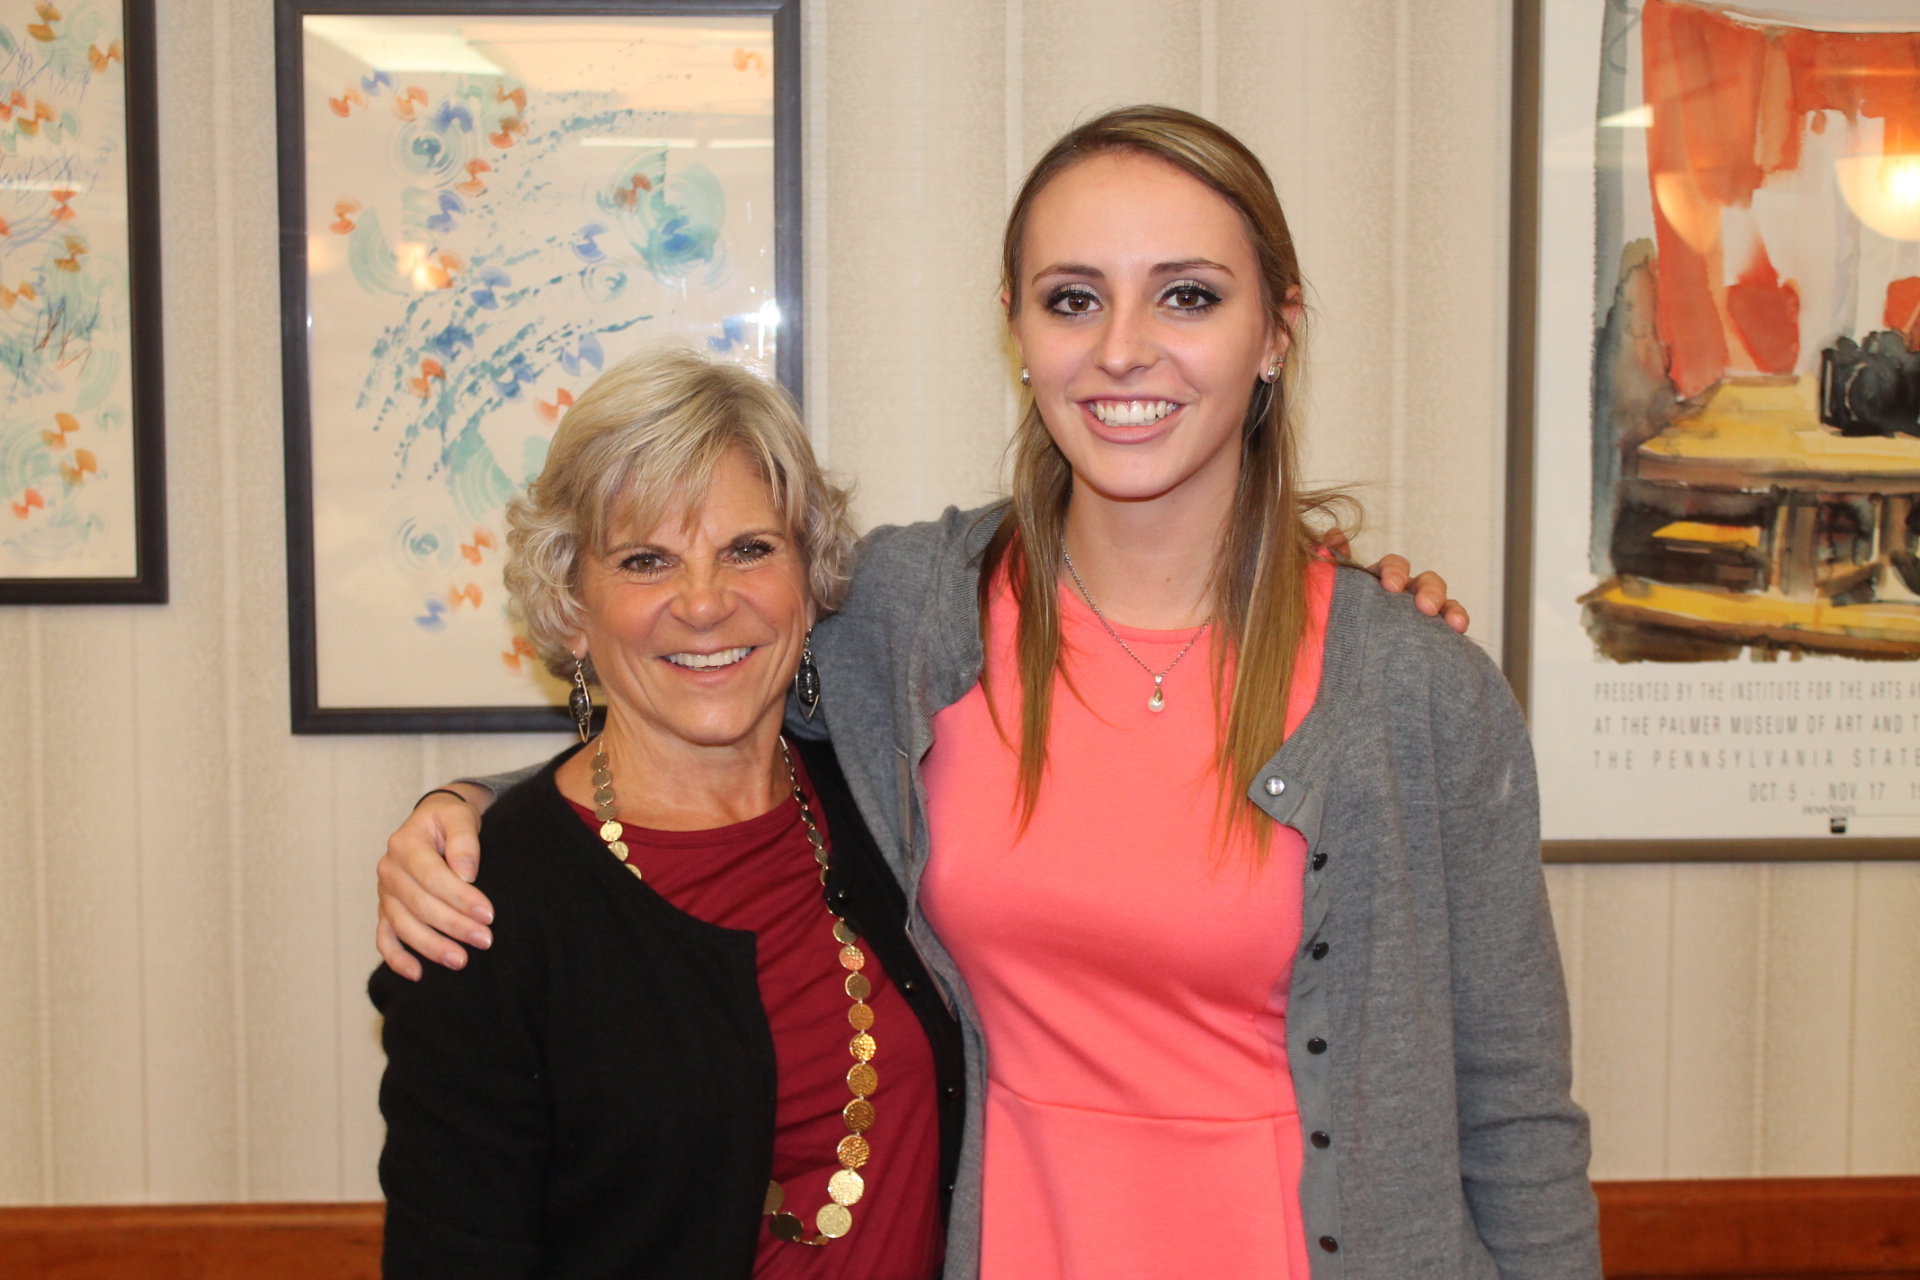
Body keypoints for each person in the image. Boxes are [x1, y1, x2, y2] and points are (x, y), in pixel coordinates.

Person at [377, 105, 1599, 1280]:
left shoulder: (1415, 690)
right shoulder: (908, 617)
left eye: (1188, 294)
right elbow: (697, 691)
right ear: (1017, 331)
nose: (1124, 346)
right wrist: (476, 810)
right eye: (1074, 298)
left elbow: (1516, 1118)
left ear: (1276, 331)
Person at [369, 349, 964, 1279]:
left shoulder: (886, 805)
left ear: (809, 583)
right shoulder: (484, 909)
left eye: (749, 549)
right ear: (572, 608)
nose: (704, 603)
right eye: (647, 560)